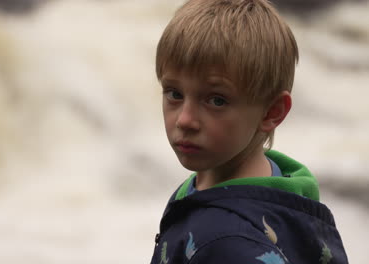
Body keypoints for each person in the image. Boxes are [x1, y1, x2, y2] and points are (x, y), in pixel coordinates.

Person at [150, 0, 349, 263]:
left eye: (216, 100)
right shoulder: (278, 187)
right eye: (175, 94)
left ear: (272, 112)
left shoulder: (231, 246)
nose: (185, 120)